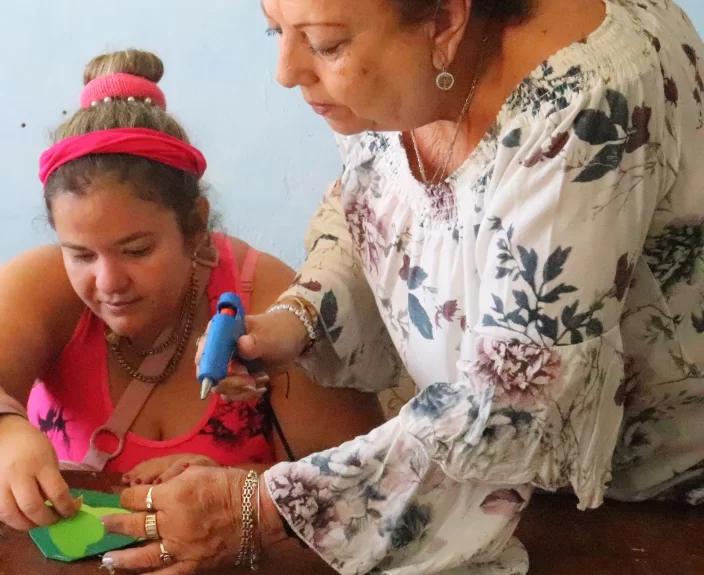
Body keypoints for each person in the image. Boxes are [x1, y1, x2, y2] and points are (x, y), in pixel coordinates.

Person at [99, 1, 704, 574]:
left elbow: (518, 397)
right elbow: (371, 210)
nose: (286, 72)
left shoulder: (590, 101)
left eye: (324, 43)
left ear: (444, 19)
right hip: (523, 493)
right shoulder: (402, 75)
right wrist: (296, 319)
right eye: (273, 28)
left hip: (667, 498)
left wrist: (260, 504)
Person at [0, 49, 384, 535]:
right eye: (82, 255)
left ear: (194, 225)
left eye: (136, 250)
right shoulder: (47, 285)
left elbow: (362, 495)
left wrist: (241, 494)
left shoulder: (269, 305)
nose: (107, 283)